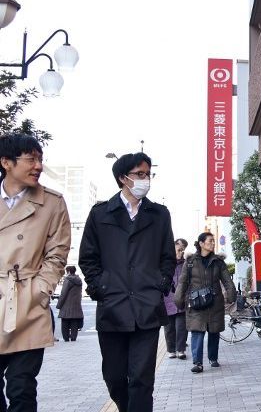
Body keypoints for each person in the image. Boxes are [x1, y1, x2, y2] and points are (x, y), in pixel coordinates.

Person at [79, 152, 175, 412]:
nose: (146, 180)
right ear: (123, 178)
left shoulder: (159, 214)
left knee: (142, 379)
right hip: (113, 305)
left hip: (147, 306)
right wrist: (101, 287)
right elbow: (88, 258)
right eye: (140, 175)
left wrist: (161, 284)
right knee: (115, 377)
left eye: (148, 174)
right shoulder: (100, 214)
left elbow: (168, 257)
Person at [0, 133, 71, 410]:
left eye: (40, 159)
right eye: (30, 159)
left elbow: (58, 252)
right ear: (6, 162)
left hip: (27, 301)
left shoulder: (52, 203)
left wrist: (41, 289)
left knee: (22, 386)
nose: (38, 166)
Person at [175, 232, 235, 374]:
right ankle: (198, 363)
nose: (213, 243)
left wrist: (231, 295)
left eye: (213, 241)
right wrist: (179, 300)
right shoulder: (190, 262)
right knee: (197, 332)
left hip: (215, 302)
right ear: (201, 243)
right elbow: (183, 282)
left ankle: (213, 358)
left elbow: (227, 280)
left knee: (214, 331)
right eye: (210, 241)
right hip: (196, 302)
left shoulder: (218, 262)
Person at [163, 238, 188, 359]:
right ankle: (171, 350)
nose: (180, 252)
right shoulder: (166, 262)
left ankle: (181, 349)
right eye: (178, 250)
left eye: (182, 250)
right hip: (167, 298)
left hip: (182, 299)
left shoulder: (186, 264)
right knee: (169, 327)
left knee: (181, 327)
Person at [56, 266, 84, 341]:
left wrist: (59, 305)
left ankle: (66, 338)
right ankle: (73, 337)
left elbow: (63, 293)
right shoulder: (79, 280)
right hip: (76, 304)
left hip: (66, 305)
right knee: (74, 321)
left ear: (68, 271)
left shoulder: (68, 280)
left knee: (65, 322)